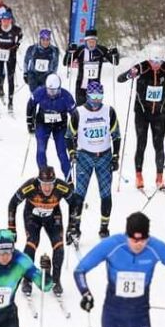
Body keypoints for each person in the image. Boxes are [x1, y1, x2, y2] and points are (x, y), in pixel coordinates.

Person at [117, 57, 165, 190]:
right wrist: (129, 75)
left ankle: (159, 178)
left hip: (159, 114)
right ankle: (139, 176)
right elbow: (120, 79)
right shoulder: (142, 66)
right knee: (141, 143)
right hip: (142, 113)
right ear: (149, 60)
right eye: (153, 62)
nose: (156, 65)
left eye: (159, 62)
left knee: (159, 145)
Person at [8, 166, 75, 297]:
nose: (47, 188)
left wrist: (72, 226)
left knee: (59, 246)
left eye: (50, 184)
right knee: (31, 244)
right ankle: (27, 280)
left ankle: (56, 280)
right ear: (39, 182)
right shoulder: (30, 186)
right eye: (44, 184)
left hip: (53, 217)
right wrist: (12, 228)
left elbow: (75, 203)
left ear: (54, 182)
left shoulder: (61, 186)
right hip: (32, 217)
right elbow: (12, 203)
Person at [66, 81, 121, 242]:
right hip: (84, 156)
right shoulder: (78, 112)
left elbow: (116, 135)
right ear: (87, 96)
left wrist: (116, 156)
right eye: (93, 96)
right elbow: (69, 137)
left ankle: (104, 227)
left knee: (105, 194)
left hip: (104, 156)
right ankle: (75, 227)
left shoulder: (109, 111)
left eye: (99, 96)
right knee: (79, 194)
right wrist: (72, 153)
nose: (97, 100)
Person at [26, 73, 77, 179]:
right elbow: (30, 105)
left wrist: (74, 131)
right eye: (49, 91)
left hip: (60, 126)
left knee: (62, 152)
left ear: (59, 88)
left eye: (54, 91)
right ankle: (43, 174)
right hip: (43, 124)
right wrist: (30, 122)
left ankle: (69, 179)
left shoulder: (66, 96)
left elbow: (75, 115)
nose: (52, 94)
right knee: (41, 149)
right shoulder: (40, 92)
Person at [63, 28, 119, 105]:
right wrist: (69, 52)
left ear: (96, 41)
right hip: (81, 86)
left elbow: (115, 62)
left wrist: (115, 54)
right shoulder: (80, 50)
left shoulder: (101, 50)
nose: (92, 44)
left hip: (96, 88)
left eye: (93, 42)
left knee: (95, 109)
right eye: (90, 42)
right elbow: (66, 63)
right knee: (81, 109)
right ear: (86, 41)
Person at [0, 12, 22, 113]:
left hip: (11, 55)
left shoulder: (16, 30)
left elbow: (20, 38)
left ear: (10, 21)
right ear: (1, 20)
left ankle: (10, 102)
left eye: (7, 20)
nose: (5, 22)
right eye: (3, 20)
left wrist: (16, 47)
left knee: (10, 78)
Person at [22, 29, 60, 93]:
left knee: (44, 96)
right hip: (33, 75)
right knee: (35, 95)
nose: (45, 42)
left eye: (47, 40)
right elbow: (26, 61)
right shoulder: (32, 49)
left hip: (46, 76)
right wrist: (25, 73)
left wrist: (53, 76)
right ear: (40, 39)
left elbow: (55, 64)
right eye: (43, 40)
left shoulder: (54, 50)